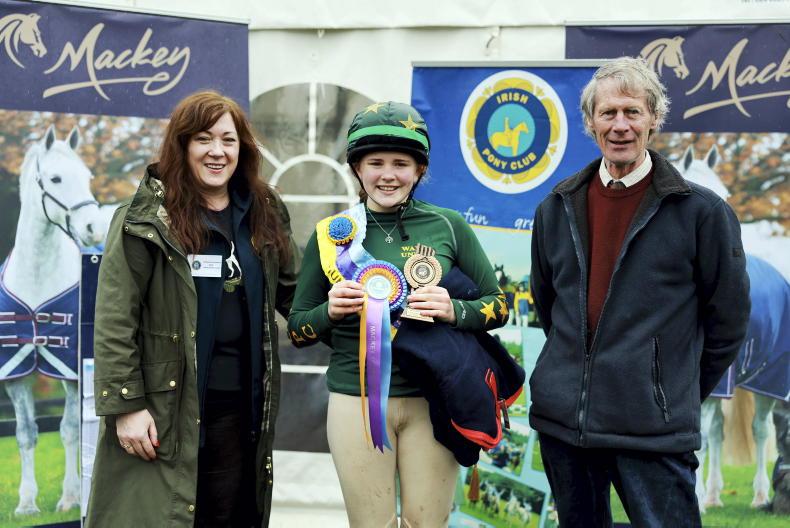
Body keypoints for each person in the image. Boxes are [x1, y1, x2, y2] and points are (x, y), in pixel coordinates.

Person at [529, 57, 750, 527]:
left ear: (654, 119)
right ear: (590, 122)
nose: (620, 125)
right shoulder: (556, 207)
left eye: (633, 112)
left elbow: (728, 322)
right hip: (564, 428)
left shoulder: (702, 213)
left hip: (652, 433)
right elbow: (550, 306)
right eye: (608, 113)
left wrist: (668, 392)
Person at [287, 101, 507, 527]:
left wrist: (455, 309)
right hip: (355, 400)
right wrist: (329, 311)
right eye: (376, 163)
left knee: (428, 524)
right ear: (357, 168)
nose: (388, 175)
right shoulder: (331, 235)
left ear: (419, 170)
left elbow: (498, 306)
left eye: (401, 164)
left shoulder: (449, 225)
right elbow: (297, 329)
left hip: (433, 398)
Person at [85, 91, 299, 527]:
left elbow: (294, 293)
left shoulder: (264, 210)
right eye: (203, 139)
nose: (217, 151)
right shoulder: (144, 218)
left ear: (242, 148)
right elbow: (114, 318)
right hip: (163, 412)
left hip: (241, 411)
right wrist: (126, 407)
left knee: (230, 515)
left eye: (228, 140)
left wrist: (340, 309)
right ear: (182, 145)